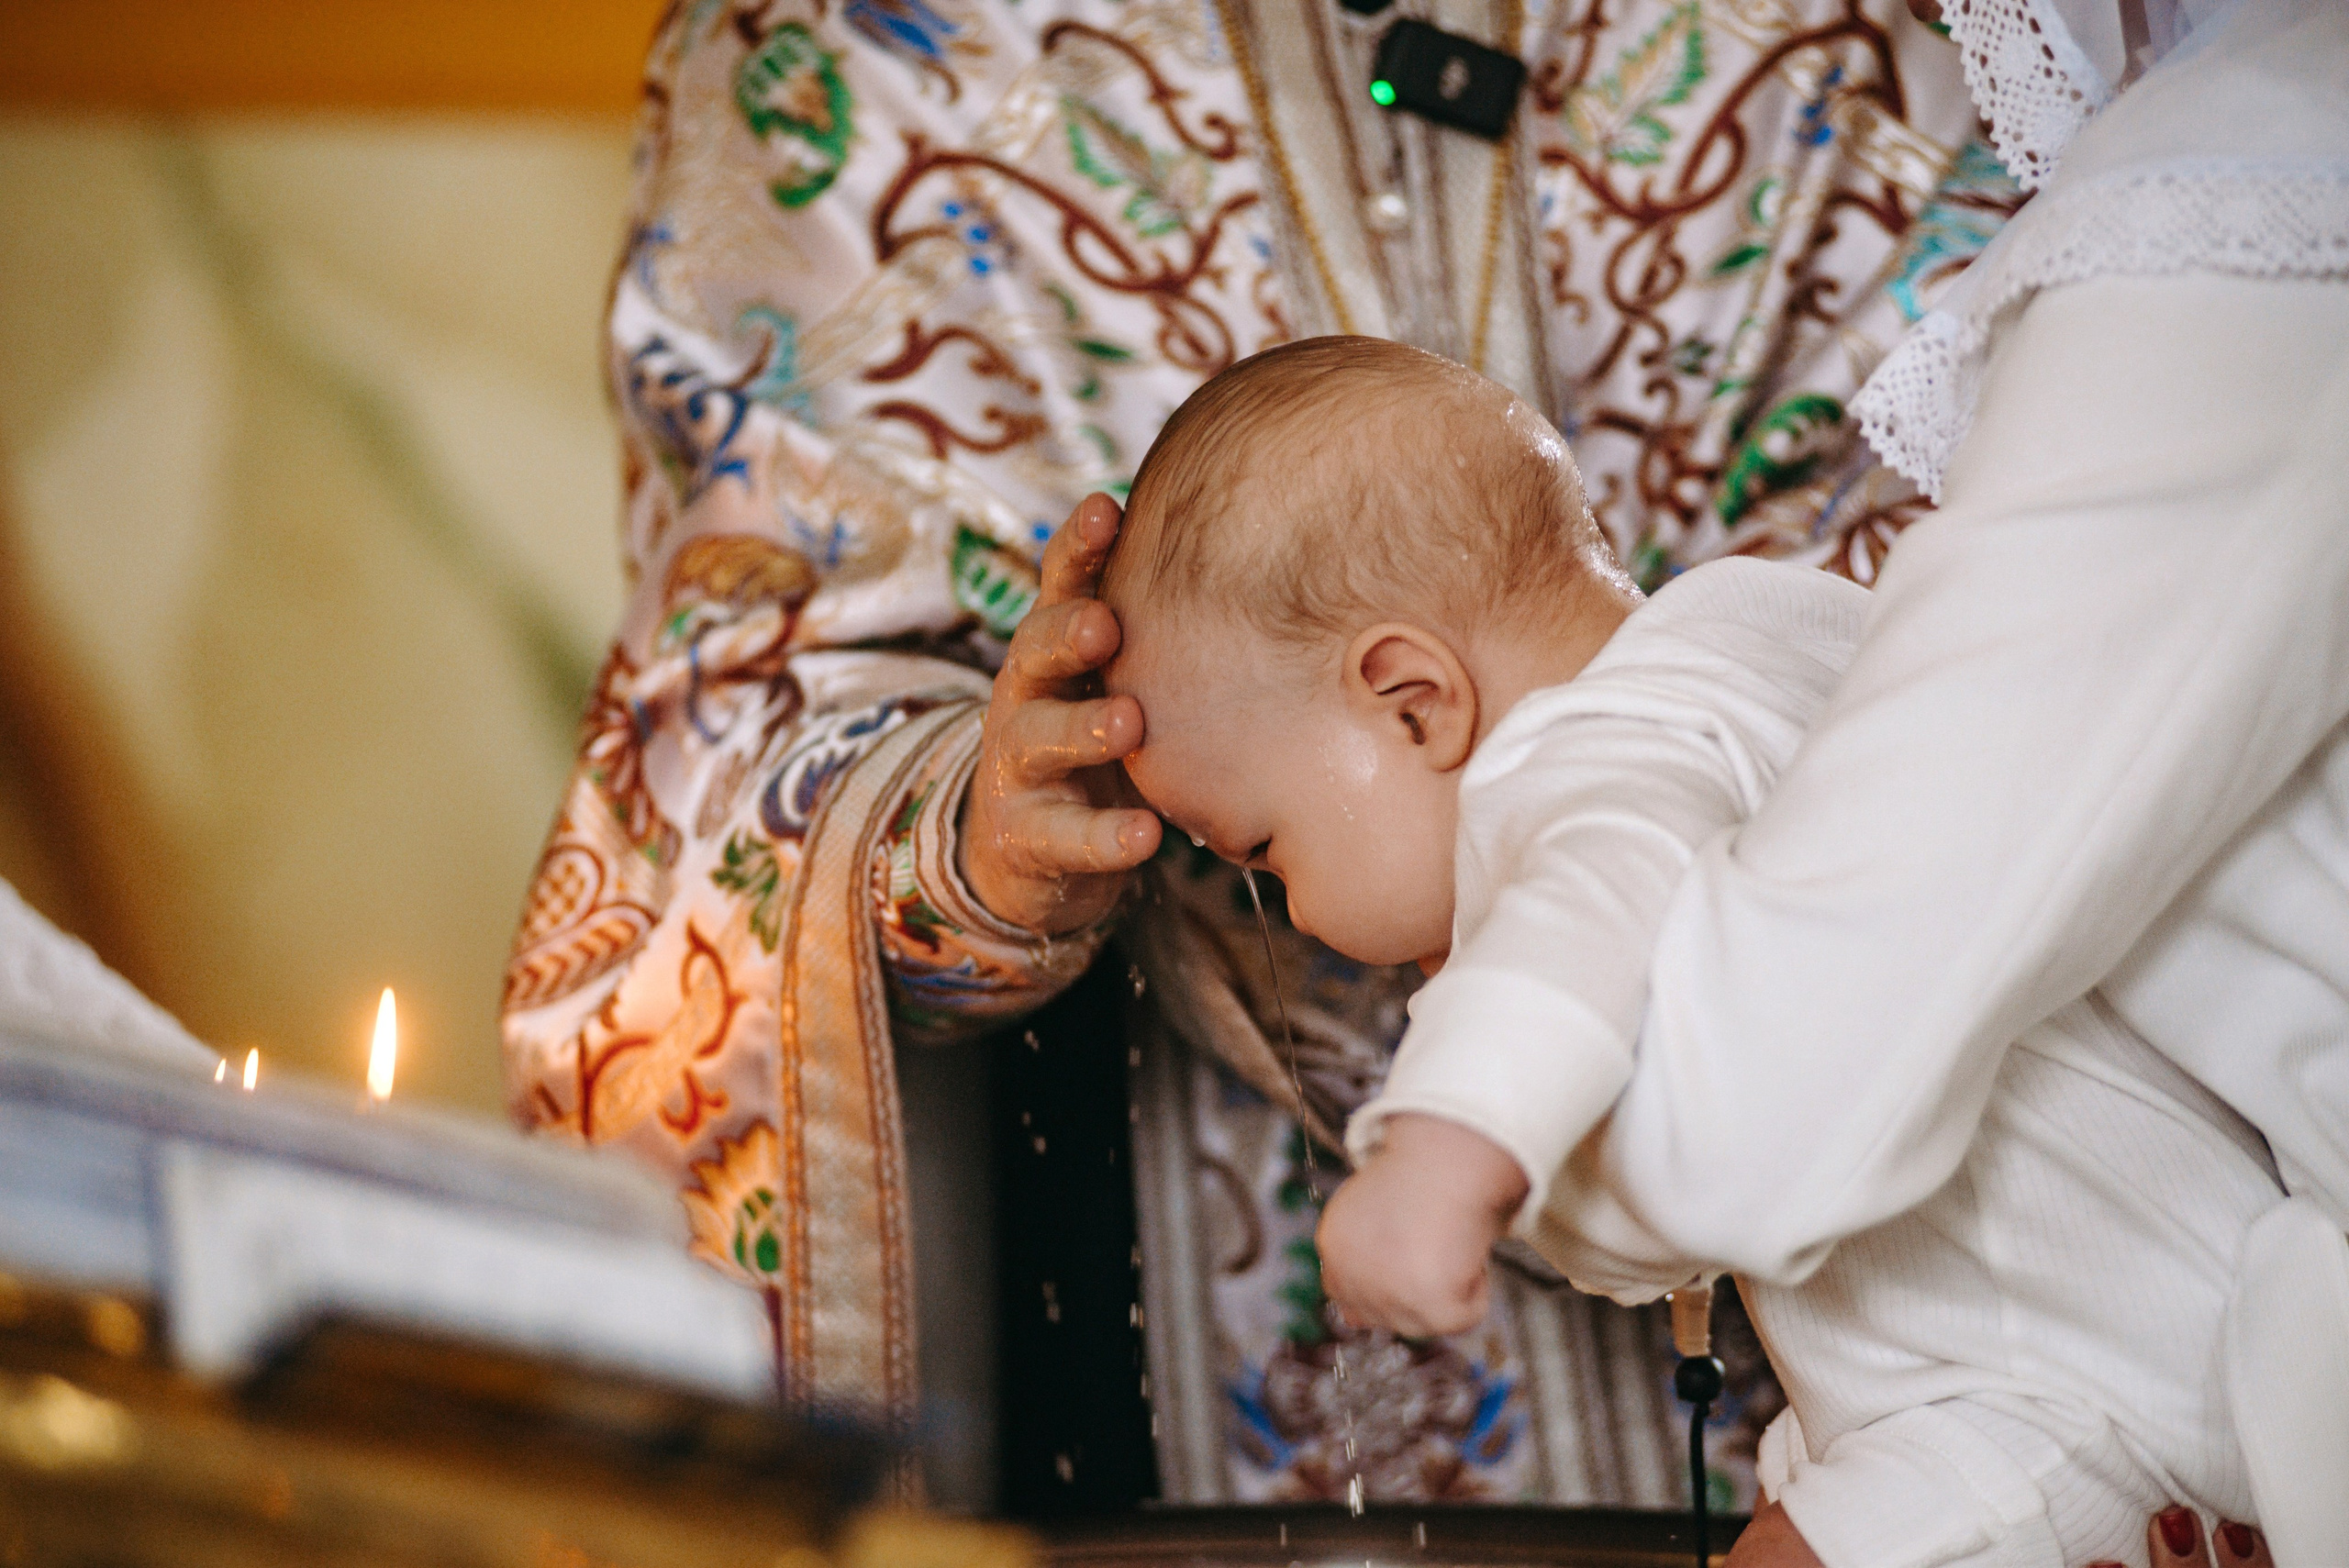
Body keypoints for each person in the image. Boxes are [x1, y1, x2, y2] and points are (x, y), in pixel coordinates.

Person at [503, 0, 2010, 1507]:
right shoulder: (854, 44)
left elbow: (2049, 561)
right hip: (1170, 1326)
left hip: (1886, 1288)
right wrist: (971, 834)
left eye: (1273, 859)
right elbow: (715, 748)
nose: (1282, 894)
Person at [1101, 333, 2281, 1568]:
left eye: (1266, 847)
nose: (1289, 916)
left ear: (1412, 700)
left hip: (2053, 1386)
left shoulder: (1608, 763)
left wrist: (1437, 1155)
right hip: (2167, 1328)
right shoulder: (1785, 636)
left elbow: (1595, 888)